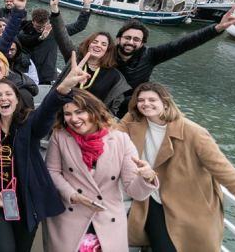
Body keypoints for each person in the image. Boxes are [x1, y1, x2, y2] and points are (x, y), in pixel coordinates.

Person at [0, 52, 92, 252]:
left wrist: (63, 89)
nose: (4, 98)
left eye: (8, 94)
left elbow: (45, 112)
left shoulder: (28, 124)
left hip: (27, 201)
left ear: (17, 99)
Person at [119, 82, 235, 252]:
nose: (146, 104)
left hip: (188, 204)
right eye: (141, 100)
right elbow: (110, 136)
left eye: (152, 99)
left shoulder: (194, 133)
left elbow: (225, 171)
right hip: (152, 200)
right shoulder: (133, 121)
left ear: (165, 103)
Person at [45, 88, 158, 251]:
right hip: (70, 217)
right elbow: (52, 171)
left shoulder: (121, 140)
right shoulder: (60, 137)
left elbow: (135, 191)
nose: (74, 119)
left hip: (107, 218)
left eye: (79, 112)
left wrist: (147, 178)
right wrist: (73, 195)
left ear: (93, 111)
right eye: (68, 114)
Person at [114, 6, 235, 117]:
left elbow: (184, 43)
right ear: (118, 39)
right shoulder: (106, 54)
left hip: (133, 109)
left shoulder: (150, 55)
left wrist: (217, 28)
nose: (130, 42)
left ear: (142, 44)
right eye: (127, 37)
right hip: (106, 106)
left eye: (136, 39)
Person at [50, 0, 130, 114]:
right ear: (88, 45)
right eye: (95, 42)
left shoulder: (114, 76)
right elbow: (62, 35)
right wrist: (55, 8)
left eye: (103, 44)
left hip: (92, 124)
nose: (98, 45)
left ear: (107, 50)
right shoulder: (74, 60)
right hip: (63, 116)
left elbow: (112, 109)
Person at [18, 0, 91, 84]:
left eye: (43, 26)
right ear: (33, 21)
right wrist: (40, 38)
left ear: (48, 22)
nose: (41, 29)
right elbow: (25, 40)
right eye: (38, 27)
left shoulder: (54, 31)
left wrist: (86, 6)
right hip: (27, 73)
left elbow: (78, 26)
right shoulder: (24, 30)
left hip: (46, 76)